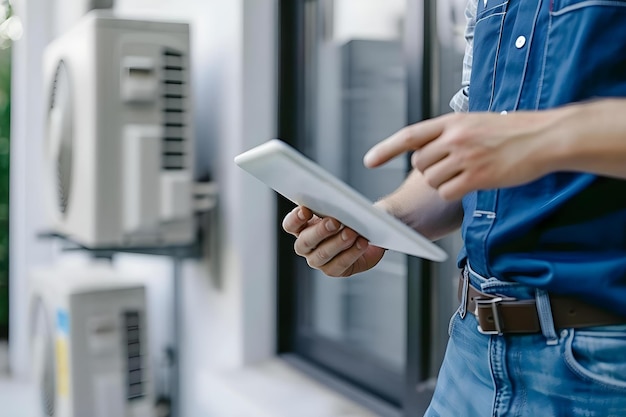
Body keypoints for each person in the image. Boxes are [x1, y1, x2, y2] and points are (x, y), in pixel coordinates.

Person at [282, 0, 626, 415]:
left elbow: (506, 140)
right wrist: (382, 221)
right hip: (471, 349)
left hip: (603, 361)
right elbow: (475, 156)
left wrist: (538, 137)